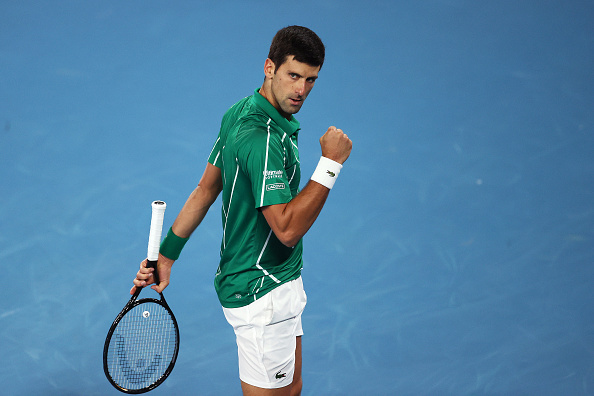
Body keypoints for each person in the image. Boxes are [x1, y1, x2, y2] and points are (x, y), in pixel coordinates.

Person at [130, 25, 352, 396]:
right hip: (263, 292)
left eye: (311, 79)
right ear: (270, 67)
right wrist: (330, 165)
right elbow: (286, 229)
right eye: (293, 75)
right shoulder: (261, 139)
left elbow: (205, 189)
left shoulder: (240, 112)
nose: (301, 90)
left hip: (276, 281)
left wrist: (167, 255)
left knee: (291, 389)